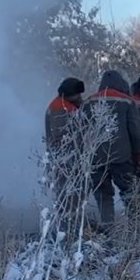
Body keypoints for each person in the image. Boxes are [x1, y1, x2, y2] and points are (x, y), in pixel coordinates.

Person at [81, 69, 140, 230]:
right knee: (129, 193)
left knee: (103, 196)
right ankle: (136, 229)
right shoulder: (127, 101)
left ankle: (108, 231)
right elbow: (136, 131)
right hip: (122, 157)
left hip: (95, 159)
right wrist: (139, 154)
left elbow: (82, 131)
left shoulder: (89, 101)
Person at [44, 77, 86, 233]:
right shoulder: (59, 108)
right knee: (67, 198)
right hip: (65, 161)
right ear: (68, 94)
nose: (79, 97)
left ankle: (71, 229)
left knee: (73, 197)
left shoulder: (68, 104)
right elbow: (61, 137)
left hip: (70, 159)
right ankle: (67, 232)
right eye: (77, 95)